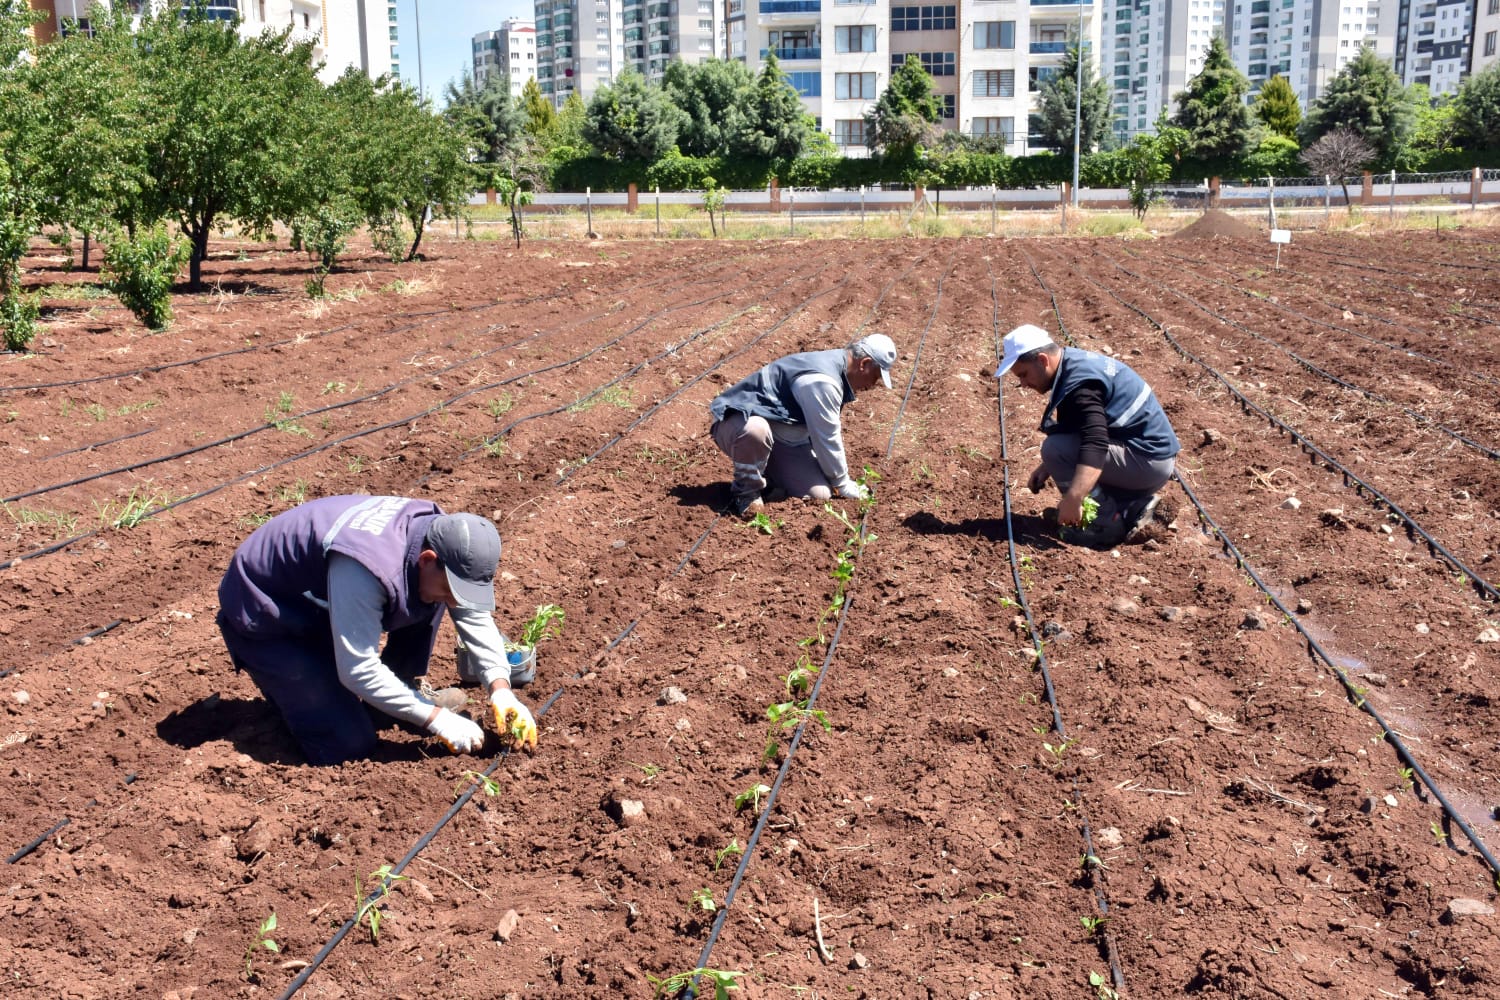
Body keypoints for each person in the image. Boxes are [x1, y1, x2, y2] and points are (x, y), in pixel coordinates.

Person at [217, 495, 539, 765]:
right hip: (269, 613)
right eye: (452, 587)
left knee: (433, 594)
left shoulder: (440, 539)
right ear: (427, 559)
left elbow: (468, 609)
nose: (454, 600)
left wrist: (502, 692)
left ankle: (391, 702)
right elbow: (357, 669)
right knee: (347, 746)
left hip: (324, 597)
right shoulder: (366, 566)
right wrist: (434, 718)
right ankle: (306, 703)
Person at [995, 324, 1179, 548]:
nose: (1023, 384)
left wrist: (1074, 497)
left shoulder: (1080, 386)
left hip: (1148, 462)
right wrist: (1046, 467)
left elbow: (1095, 442)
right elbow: (1082, 428)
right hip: (1146, 458)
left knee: (1055, 449)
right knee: (1061, 455)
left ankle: (1104, 525)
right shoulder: (1073, 363)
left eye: (1024, 374)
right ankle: (1135, 508)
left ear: (1043, 360)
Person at [709, 333, 897, 519]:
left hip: (782, 434)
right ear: (863, 364)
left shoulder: (838, 372)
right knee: (756, 430)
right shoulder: (823, 381)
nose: (874, 384)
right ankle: (746, 493)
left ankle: (767, 477)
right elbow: (826, 436)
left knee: (819, 494)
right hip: (735, 422)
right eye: (876, 376)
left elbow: (813, 431)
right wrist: (843, 483)